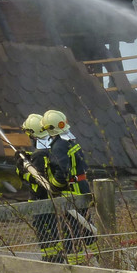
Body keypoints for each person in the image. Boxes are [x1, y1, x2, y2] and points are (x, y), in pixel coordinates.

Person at [42, 109, 97, 265]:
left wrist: (55, 187)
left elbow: (62, 171)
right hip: (81, 186)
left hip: (71, 192)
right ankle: (99, 254)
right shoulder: (70, 141)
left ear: (49, 128)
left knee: (71, 227)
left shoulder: (58, 146)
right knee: (86, 224)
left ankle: (77, 262)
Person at [14, 113, 65, 262]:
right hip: (50, 201)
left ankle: (51, 260)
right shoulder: (50, 150)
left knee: (45, 232)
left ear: (33, 135)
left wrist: (21, 170)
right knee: (53, 230)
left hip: (40, 201)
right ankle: (55, 257)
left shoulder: (38, 155)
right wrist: (27, 158)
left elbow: (37, 179)